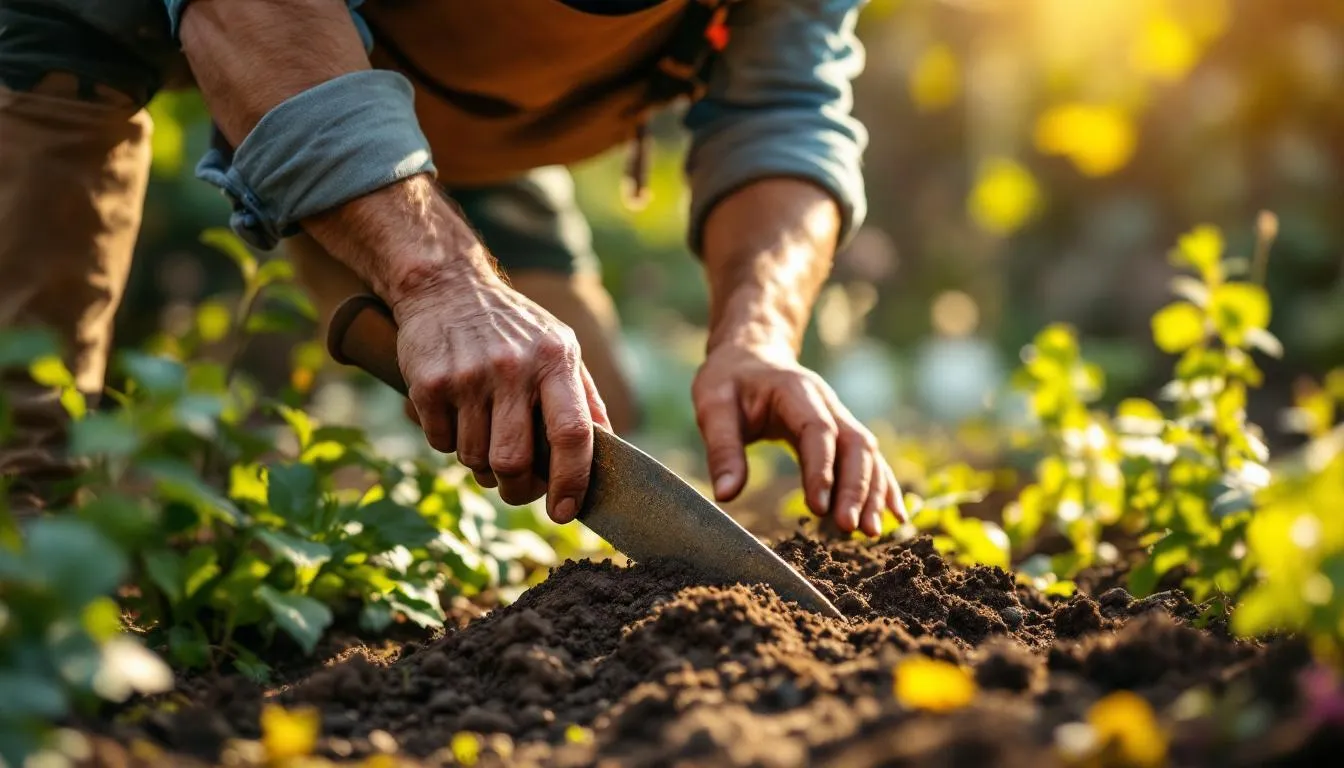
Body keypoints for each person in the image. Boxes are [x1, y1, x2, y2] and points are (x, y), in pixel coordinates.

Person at [0, 0, 906, 536]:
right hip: (130, 33)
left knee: (579, 421)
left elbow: (785, 108)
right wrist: (439, 280)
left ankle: (350, 197)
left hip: (442, 92)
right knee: (19, 481)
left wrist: (756, 333)